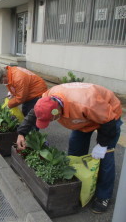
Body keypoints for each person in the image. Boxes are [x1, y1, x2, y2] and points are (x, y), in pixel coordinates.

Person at [16, 82, 122, 214]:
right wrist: (21, 133)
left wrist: (102, 144)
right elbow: (35, 113)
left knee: (105, 156)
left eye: (50, 120)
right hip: (82, 118)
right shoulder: (47, 98)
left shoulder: (85, 103)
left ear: (57, 112)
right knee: (75, 150)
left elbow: (109, 121)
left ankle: (103, 196)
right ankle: (77, 186)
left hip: (108, 115)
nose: (49, 123)